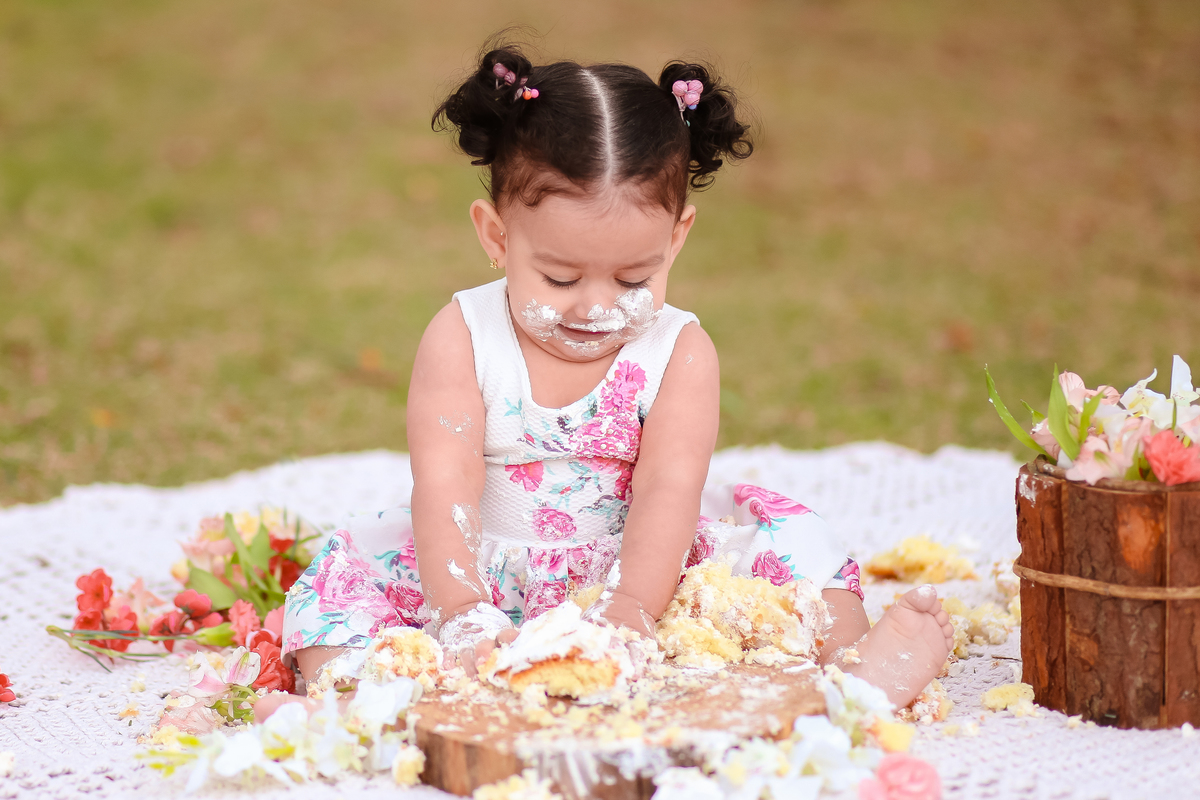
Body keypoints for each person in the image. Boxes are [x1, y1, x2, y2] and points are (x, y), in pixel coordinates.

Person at [257, 43, 952, 720]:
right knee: (340, 593)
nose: (595, 307)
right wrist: (462, 611)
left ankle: (854, 669)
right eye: (559, 278)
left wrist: (633, 609)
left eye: (633, 278)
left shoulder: (679, 352)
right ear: (497, 237)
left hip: (642, 565)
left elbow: (668, 489)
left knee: (796, 556)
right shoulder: (463, 335)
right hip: (479, 569)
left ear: (676, 238)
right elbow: (445, 485)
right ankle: (364, 698)